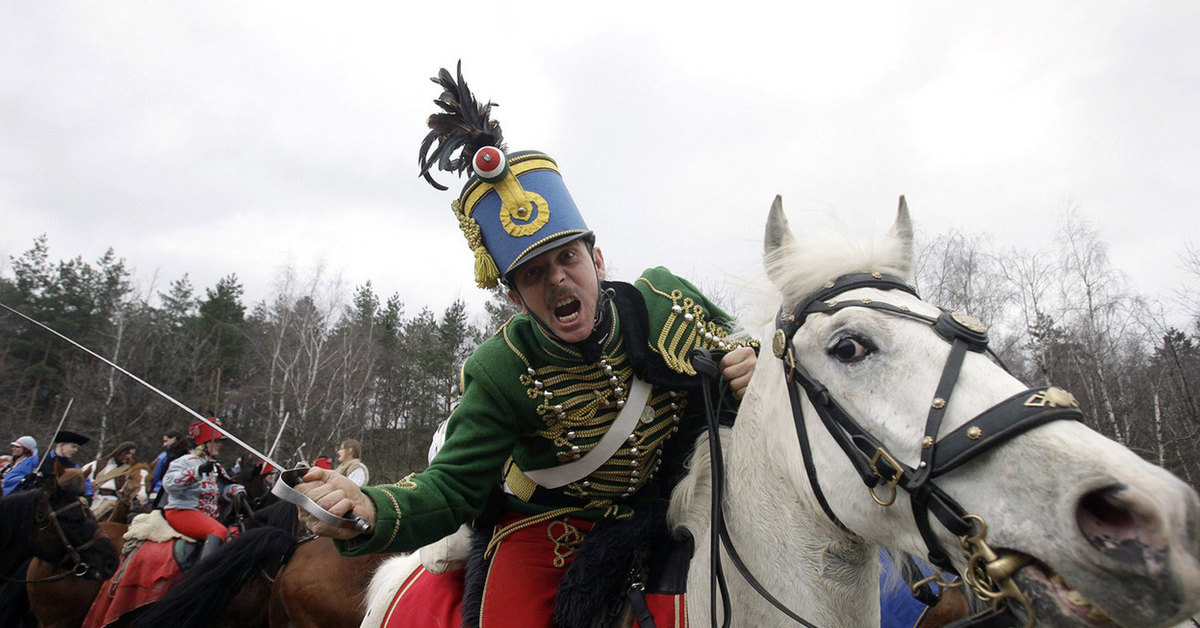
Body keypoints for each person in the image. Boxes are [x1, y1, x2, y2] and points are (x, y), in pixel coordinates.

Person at [296, 65, 757, 627]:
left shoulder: (666, 302)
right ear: (516, 298)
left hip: (677, 501)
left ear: (598, 261)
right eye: (534, 273)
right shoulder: (498, 371)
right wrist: (368, 506)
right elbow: (450, 487)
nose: (558, 279)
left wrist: (751, 369)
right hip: (552, 523)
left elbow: (748, 364)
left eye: (568, 258)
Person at [162, 418, 246, 557]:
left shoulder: (215, 466)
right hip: (182, 511)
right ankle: (204, 574)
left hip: (207, 516)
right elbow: (170, 484)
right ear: (204, 444)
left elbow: (221, 488)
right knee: (218, 531)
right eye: (216, 441)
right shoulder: (184, 461)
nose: (219, 445)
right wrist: (197, 471)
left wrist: (236, 491)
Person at [91, 440, 137, 517]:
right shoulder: (98, 464)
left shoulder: (128, 470)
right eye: (128, 453)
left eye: (131, 454)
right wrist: (91, 483)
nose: (129, 457)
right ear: (120, 451)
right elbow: (84, 476)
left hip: (112, 500)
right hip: (94, 496)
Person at [44, 430, 93, 497]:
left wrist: (89, 495)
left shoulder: (75, 467)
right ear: (62, 446)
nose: (76, 450)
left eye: (77, 448)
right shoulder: (38, 460)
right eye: (73, 446)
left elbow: (85, 482)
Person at [150, 430, 189, 500]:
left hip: (161, 490)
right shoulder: (190, 456)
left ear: (174, 439)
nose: (164, 445)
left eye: (166, 441)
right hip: (184, 493)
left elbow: (155, 475)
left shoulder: (164, 456)